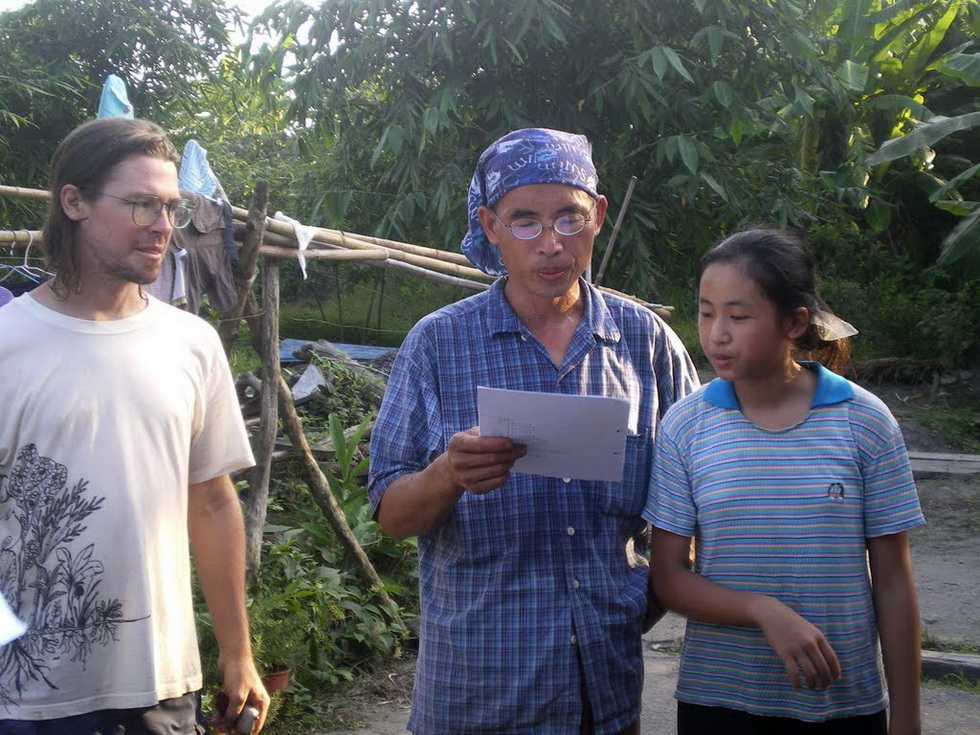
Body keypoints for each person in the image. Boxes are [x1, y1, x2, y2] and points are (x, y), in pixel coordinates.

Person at [368, 127, 699, 734]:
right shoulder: (438, 344)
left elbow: (695, 503)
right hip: (475, 689)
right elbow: (391, 516)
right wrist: (448, 474)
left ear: (597, 215)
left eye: (569, 219)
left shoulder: (646, 343)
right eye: (524, 221)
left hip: (604, 689)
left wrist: (632, 606)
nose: (551, 245)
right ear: (489, 225)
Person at [0, 117, 270, 734]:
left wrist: (237, 653)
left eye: (171, 206)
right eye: (141, 204)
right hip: (25, 700)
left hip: (161, 688)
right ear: (73, 201)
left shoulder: (192, 344)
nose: (164, 226)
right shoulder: (7, 344)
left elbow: (210, 501)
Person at [644, 228, 923, 734]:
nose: (717, 333)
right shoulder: (685, 425)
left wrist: (907, 715)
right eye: (706, 312)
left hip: (843, 702)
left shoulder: (865, 421)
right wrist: (762, 610)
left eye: (739, 315)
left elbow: (893, 580)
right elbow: (668, 578)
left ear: (794, 322)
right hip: (719, 701)